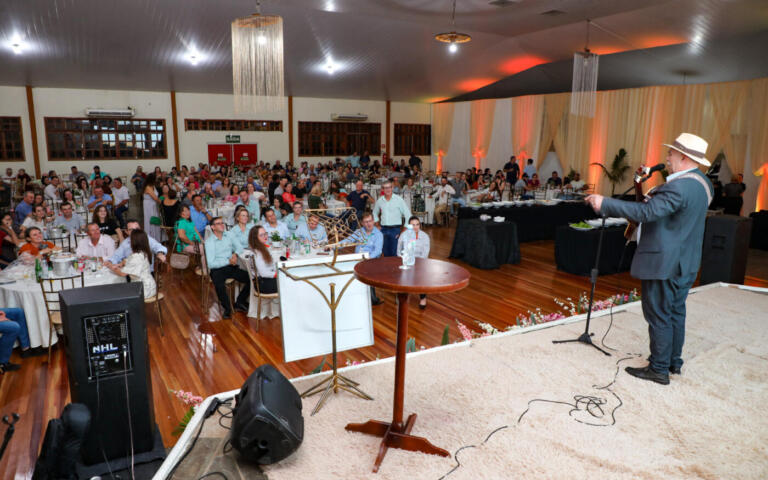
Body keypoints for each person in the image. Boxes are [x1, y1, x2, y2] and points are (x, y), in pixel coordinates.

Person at [585, 133, 714, 385]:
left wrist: (605, 203)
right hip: (686, 261)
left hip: (665, 262)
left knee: (659, 314)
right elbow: (670, 212)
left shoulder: (678, 186)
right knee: (675, 312)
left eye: (671, 153)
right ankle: (672, 362)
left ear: (684, 157)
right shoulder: (703, 183)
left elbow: (647, 213)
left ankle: (658, 369)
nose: (667, 157)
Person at [205, 216, 250, 319]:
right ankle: (227, 308)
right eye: (218, 223)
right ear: (212, 227)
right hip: (217, 269)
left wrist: (235, 255)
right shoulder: (210, 242)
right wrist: (228, 261)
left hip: (230, 266)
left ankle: (240, 301)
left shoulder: (229, 235)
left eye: (222, 223)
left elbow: (239, 247)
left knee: (250, 278)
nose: (222, 225)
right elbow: (211, 263)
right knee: (220, 286)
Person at [340, 212, 383, 305]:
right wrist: (335, 246)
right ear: (362, 223)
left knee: (366, 272)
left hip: (371, 260)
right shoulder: (359, 232)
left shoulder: (378, 234)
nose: (368, 224)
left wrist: (367, 259)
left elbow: (378, 251)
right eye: (366, 222)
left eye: (370, 221)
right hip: (358, 259)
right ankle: (357, 296)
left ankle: (371, 298)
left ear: (373, 221)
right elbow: (347, 241)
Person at [106, 230, 157, 298]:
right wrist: (121, 264)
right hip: (149, 285)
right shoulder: (143, 252)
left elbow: (122, 273)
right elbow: (127, 260)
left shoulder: (136, 257)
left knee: (118, 292)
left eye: (130, 239)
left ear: (134, 242)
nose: (129, 242)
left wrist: (111, 267)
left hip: (144, 289)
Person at [397, 216, 431, 309]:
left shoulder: (425, 236)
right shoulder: (404, 235)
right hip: (406, 260)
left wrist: (417, 264)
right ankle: (403, 296)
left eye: (417, 224)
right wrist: (403, 258)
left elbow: (425, 253)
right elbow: (399, 249)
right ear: (409, 226)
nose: (416, 227)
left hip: (420, 261)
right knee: (402, 275)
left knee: (421, 276)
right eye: (413, 225)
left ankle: (423, 298)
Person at [372, 181, 411, 257]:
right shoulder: (380, 201)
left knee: (395, 253)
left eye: (389, 187)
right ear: (382, 189)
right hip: (383, 230)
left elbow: (408, 215)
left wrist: (403, 230)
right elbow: (374, 213)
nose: (387, 189)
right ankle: (387, 268)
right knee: (385, 252)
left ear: (392, 188)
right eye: (385, 188)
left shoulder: (399, 200)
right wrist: (377, 225)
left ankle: (395, 269)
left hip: (395, 230)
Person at [247, 225, 278, 294]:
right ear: (255, 238)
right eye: (261, 235)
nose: (265, 236)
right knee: (287, 282)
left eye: (265, 234)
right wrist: (277, 274)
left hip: (265, 281)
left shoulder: (262, 248)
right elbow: (263, 273)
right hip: (263, 284)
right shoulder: (257, 252)